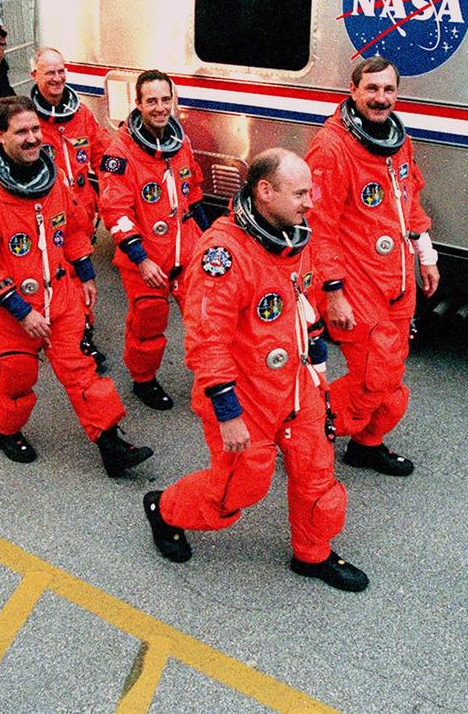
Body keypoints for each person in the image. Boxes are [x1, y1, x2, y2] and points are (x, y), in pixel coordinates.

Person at [143, 148, 367, 592]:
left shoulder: (294, 238)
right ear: (265, 191)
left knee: (317, 477)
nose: (310, 203)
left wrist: (319, 371)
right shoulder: (223, 254)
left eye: (309, 193)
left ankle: (313, 554)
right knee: (240, 489)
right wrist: (227, 413)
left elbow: (304, 309)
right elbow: (207, 341)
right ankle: (164, 509)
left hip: (297, 386)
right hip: (245, 398)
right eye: (300, 194)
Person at [0, 96, 154, 476]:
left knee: (82, 370)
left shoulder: (52, 179)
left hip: (60, 298)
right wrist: (22, 310)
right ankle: (7, 431)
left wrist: (85, 272)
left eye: (36, 129)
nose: (33, 138)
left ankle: (111, 444)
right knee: (17, 375)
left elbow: (74, 228)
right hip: (12, 311)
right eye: (22, 132)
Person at [304, 56, 439, 476]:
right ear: (353, 90)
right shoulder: (332, 147)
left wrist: (426, 253)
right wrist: (333, 291)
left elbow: (409, 198)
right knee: (373, 376)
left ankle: (366, 445)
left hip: (397, 277)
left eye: (389, 90)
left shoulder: (398, 139)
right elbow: (318, 227)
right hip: (356, 281)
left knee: (392, 378)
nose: (381, 99)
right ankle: (305, 433)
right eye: (372, 89)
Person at [98, 70, 207, 410]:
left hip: (185, 248)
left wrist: (207, 240)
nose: (160, 108)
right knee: (149, 320)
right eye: (152, 101)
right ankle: (143, 380)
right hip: (145, 256)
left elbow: (194, 193)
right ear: (138, 104)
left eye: (165, 100)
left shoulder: (180, 142)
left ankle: (213, 381)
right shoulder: (120, 153)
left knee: (206, 319)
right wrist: (141, 259)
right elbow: (115, 212)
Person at [30, 46, 111, 372]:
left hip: (81, 214)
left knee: (81, 275)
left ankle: (82, 333)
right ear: (34, 74)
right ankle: (52, 329)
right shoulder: (27, 119)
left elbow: (103, 154)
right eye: (49, 72)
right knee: (52, 275)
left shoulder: (81, 114)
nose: (57, 78)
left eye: (61, 70)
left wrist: (111, 190)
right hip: (44, 215)